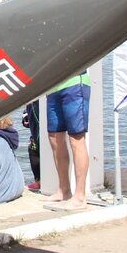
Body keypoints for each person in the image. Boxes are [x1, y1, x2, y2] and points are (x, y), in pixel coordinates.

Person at [42, 71, 92, 212]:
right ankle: (64, 190)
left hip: (75, 83)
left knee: (76, 139)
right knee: (54, 137)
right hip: (53, 87)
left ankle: (80, 196)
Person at [21, 102, 41, 191]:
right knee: (33, 151)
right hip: (35, 135)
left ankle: (40, 181)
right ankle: (38, 181)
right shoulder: (30, 104)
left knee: (36, 151)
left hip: (40, 133)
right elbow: (25, 123)